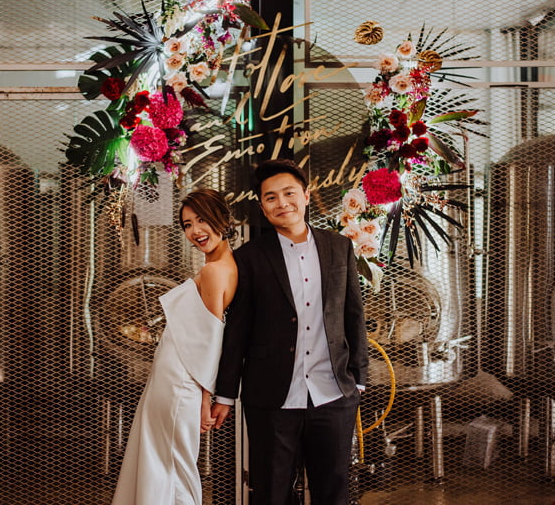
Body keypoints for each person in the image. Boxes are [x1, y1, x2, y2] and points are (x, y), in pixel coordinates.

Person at [211, 159, 368, 505]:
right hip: (271, 397)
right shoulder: (248, 258)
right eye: (271, 198)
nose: (282, 203)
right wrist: (224, 394)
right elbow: (236, 331)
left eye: (289, 193)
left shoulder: (339, 247)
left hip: (333, 394)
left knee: (334, 491)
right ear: (262, 206)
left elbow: (354, 315)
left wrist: (357, 380)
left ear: (306, 196)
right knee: (271, 492)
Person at [111, 188, 238, 505]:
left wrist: (206, 399)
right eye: (186, 224)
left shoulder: (214, 271)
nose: (195, 231)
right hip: (174, 379)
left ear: (221, 218)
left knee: (170, 464)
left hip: (181, 382)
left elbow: (209, 340)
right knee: (164, 461)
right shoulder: (225, 265)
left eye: (202, 220)